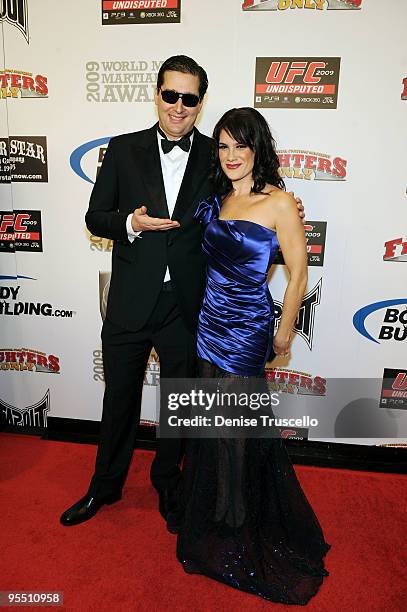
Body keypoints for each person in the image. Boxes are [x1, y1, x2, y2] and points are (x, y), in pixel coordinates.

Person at [60, 56, 305, 528]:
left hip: (186, 309)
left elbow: (249, 198)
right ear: (157, 93)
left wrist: (288, 200)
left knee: (179, 406)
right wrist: (129, 222)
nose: (178, 106)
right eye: (170, 95)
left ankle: (170, 487)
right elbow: (95, 217)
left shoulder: (217, 157)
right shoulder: (123, 149)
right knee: (119, 400)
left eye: (189, 99)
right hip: (130, 301)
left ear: (199, 103)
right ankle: (103, 487)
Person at [175, 108, 331, 605]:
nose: (231, 155)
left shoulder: (281, 203)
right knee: (212, 423)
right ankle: (220, 504)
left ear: (258, 147)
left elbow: (300, 274)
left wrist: (284, 329)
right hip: (209, 322)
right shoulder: (216, 198)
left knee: (237, 427)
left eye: (240, 145)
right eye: (222, 146)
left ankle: (240, 516)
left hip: (246, 325)